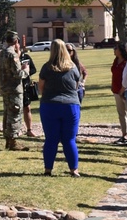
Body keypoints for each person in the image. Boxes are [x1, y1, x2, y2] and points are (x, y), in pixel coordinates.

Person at [38, 38, 82, 177]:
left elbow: (41, 88)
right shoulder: (73, 68)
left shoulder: (47, 67)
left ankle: (48, 169)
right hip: (70, 105)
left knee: (51, 139)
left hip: (50, 105)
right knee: (69, 139)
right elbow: (76, 86)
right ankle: (73, 169)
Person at [0, 30, 25, 151]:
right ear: (16, 41)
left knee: (7, 113)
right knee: (15, 114)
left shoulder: (1, 54)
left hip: (4, 88)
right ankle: (13, 141)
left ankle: (8, 139)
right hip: (14, 89)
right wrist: (26, 70)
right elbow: (18, 74)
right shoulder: (12, 54)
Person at [110, 42, 127, 141]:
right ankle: (124, 134)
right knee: (121, 113)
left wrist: (122, 90)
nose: (114, 50)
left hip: (125, 91)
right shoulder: (116, 60)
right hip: (116, 91)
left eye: (115, 48)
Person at [20, 46, 38, 138]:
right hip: (14, 87)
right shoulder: (10, 58)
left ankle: (29, 129)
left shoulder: (25, 57)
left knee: (27, 107)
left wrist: (25, 72)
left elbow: (33, 69)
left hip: (25, 86)